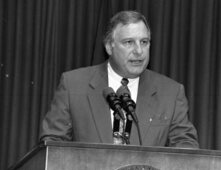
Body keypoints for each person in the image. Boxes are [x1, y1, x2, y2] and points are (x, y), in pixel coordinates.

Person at [39, 10, 199, 148]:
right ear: (109, 46)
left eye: (144, 42)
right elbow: (52, 144)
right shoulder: (73, 85)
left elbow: (186, 150)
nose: (139, 51)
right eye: (129, 42)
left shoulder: (171, 92)